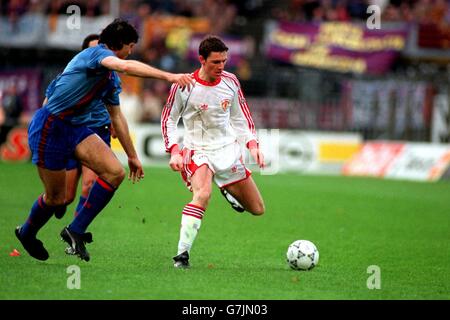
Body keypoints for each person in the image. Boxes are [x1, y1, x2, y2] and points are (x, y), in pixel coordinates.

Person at [15, 19, 193, 262]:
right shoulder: (96, 54)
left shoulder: (110, 79)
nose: (131, 51)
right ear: (120, 45)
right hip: (51, 127)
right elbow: (126, 66)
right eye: (130, 46)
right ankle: (27, 233)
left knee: (114, 172)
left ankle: (75, 230)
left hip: (76, 128)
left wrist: (132, 156)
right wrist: (169, 76)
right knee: (57, 198)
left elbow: (116, 117)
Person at [161, 35, 265, 268]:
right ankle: (182, 255)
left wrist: (253, 146)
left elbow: (241, 118)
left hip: (226, 151)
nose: (221, 66)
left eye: (224, 61)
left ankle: (225, 187)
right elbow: (169, 118)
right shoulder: (184, 85)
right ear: (201, 59)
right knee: (202, 194)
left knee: (257, 209)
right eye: (215, 62)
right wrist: (175, 150)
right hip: (197, 150)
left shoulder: (231, 81)